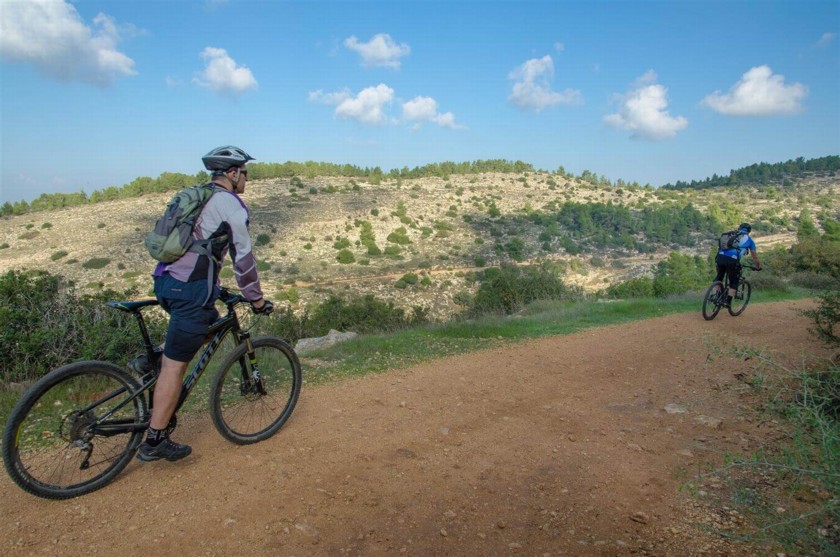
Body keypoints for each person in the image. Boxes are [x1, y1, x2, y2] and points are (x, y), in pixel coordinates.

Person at [136, 145, 274, 462]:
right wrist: (256, 298)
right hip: (191, 289)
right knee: (175, 367)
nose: (247, 179)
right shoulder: (232, 206)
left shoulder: (197, 195)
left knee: (206, 319)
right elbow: (244, 258)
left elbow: (196, 249)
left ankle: (154, 358)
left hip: (166, 280)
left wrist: (216, 287)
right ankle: (155, 439)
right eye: (245, 173)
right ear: (232, 173)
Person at [714, 222, 761, 308]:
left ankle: (717, 296)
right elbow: (755, 257)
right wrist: (757, 267)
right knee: (734, 281)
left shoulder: (730, 234)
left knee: (719, 277)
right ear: (749, 231)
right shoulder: (749, 240)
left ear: (739, 228)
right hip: (732, 260)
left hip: (720, 257)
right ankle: (727, 302)